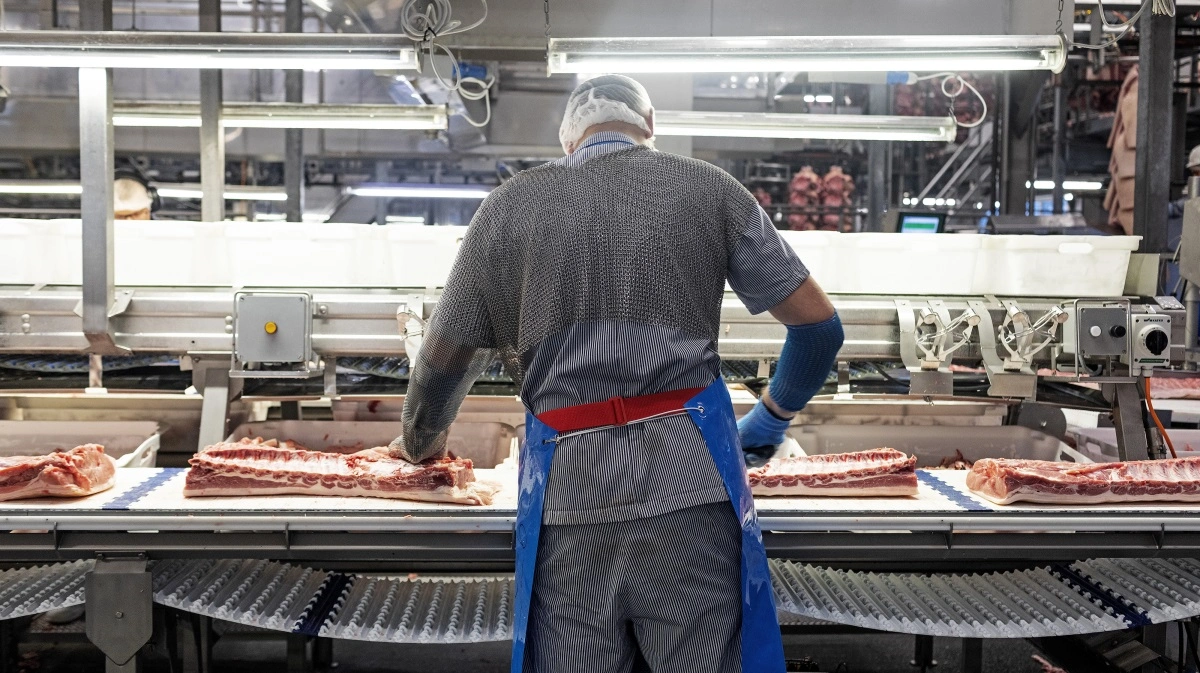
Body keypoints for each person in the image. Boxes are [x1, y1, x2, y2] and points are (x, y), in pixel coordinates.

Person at [388, 74, 842, 673]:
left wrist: (420, 448)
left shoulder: (508, 207)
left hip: (571, 497)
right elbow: (818, 331)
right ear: (650, 129)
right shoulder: (708, 189)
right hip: (688, 489)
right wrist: (768, 418)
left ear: (566, 139)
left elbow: (444, 361)